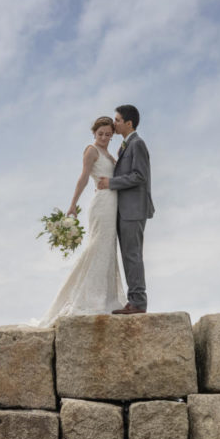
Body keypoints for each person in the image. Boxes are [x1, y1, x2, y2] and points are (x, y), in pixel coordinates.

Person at [34, 116, 126, 327]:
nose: (104, 137)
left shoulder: (108, 153)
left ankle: (106, 297)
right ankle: (89, 299)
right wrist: (73, 204)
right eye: (100, 133)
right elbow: (84, 177)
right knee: (98, 246)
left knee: (107, 248)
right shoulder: (91, 151)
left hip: (113, 204)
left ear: (112, 136)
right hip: (102, 204)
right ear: (94, 133)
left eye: (108, 135)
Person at [98, 104, 154, 314]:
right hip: (125, 210)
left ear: (129, 123)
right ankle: (135, 300)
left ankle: (138, 302)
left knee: (132, 255)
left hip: (133, 209)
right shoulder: (124, 146)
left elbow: (139, 176)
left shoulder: (137, 144)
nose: (115, 123)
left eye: (118, 120)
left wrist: (111, 183)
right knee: (129, 255)